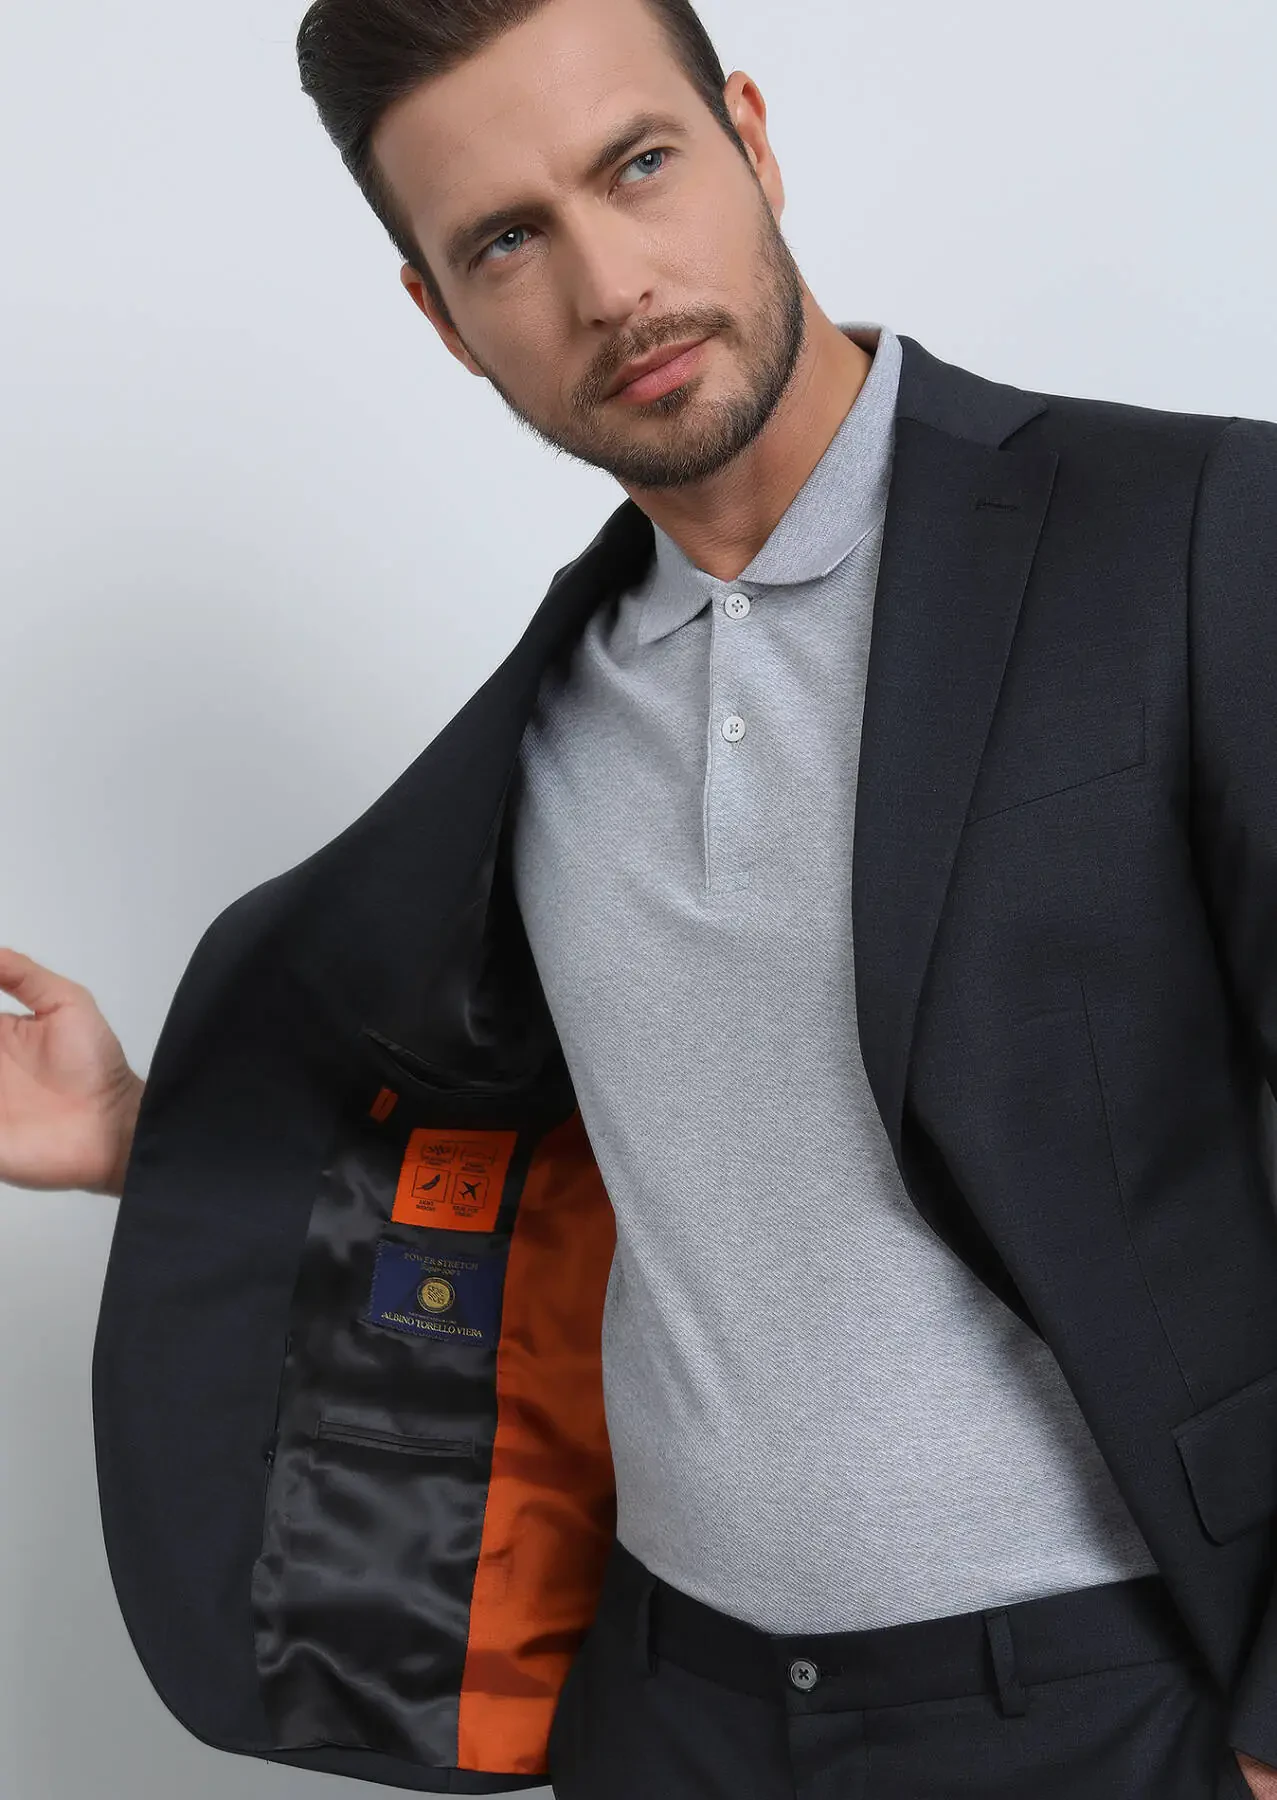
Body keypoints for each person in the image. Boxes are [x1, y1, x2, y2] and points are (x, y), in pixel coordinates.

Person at [3, 0, 1277, 1795]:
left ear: (752, 135)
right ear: (441, 318)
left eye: (640, 165)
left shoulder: (1194, 530)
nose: (612, 287)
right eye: (507, 242)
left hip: (1109, 1706)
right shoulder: (550, 721)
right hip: (668, 1709)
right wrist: (147, 1136)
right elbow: (580, 1161)